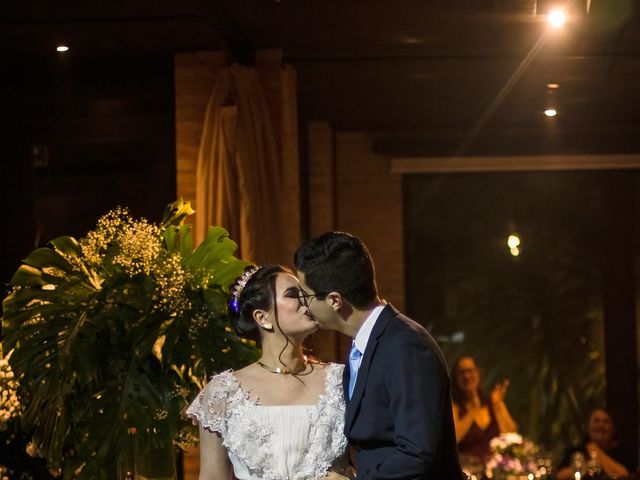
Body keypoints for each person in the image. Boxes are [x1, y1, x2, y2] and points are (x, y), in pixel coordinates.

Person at [294, 231, 465, 480]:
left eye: (305, 295)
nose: (304, 305)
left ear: (334, 300)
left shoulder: (405, 345)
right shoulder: (368, 343)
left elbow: (417, 453)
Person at [186, 264, 351, 480]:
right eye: (293, 294)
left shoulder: (341, 380)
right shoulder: (223, 392)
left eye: (306, 293)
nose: (306, 300)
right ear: (263, 318)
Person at [451, 356, 517, 464]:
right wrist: (472, 411)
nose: (466, 376)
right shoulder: (454, 405)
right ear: (456, 378)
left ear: (478, 373)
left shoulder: (491, 401)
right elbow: (454, 438)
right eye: (461, 372)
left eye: (470, 370)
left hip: (495, 470)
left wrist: (498, 405)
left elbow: (512, 437)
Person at [555, 408, 633, 480]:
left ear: (613, 429)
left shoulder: (622, 453)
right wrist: (590, 467)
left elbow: (625, 474)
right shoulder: (576, 451)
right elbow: (560, 475)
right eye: (596, 421)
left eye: (606, 422)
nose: (601, 425)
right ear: (588, 428)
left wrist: (595, 450)